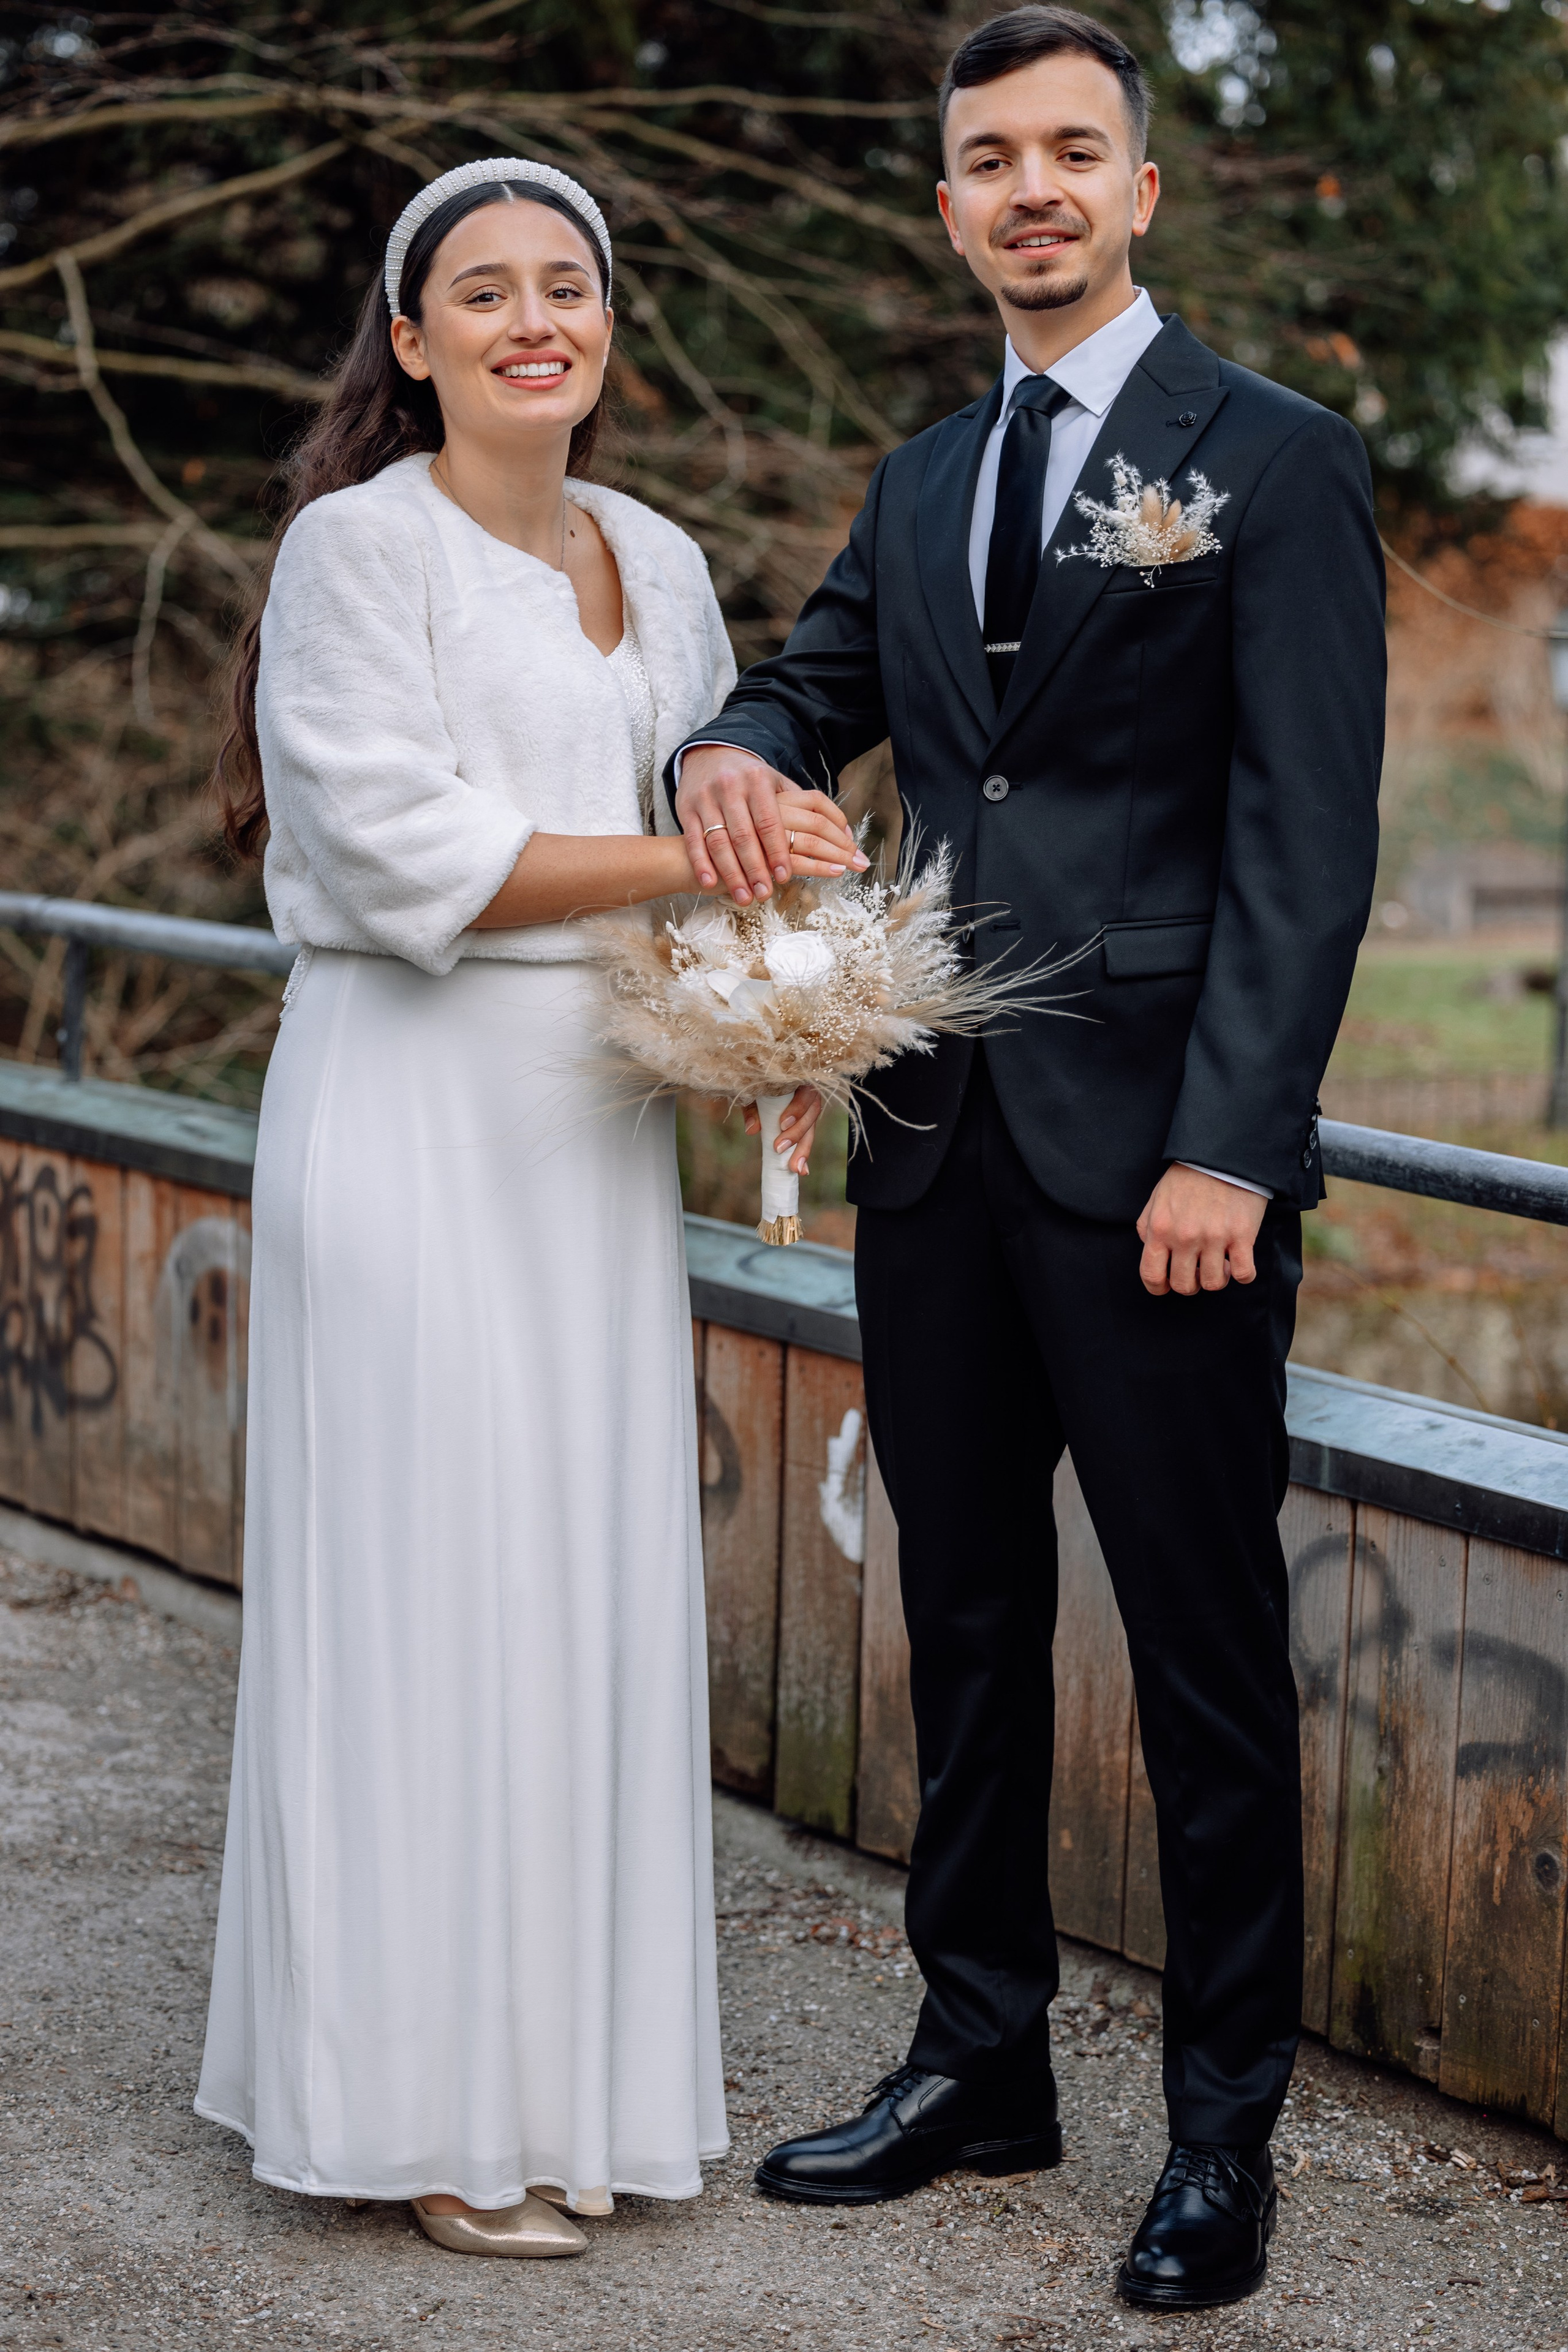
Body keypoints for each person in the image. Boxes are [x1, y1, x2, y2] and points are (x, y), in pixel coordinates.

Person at [670, 7, 1382, 2313]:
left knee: (1199, 1663)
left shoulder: (1266, 463)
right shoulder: (918, 475)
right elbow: (812, 687)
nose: (1036, 187)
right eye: (993, 158)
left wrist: (1234, 1157)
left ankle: (1219, 2138)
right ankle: (979, 2057)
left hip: (1161, 1179)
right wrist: (726, 749)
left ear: (1145, 191)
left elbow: (1303, 851)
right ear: (951, 204)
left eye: (1078, 149)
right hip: (932, 1146)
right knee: (959, 1631)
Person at [195, 157, 858, 2258]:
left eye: (564, 285)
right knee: (426, 1591)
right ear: (412, 344)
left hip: (592, 1128)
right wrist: (712, 871)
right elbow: (411, 854)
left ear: (605, 329)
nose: (529, 319)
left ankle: (573, 2089)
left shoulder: (657, 560)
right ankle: (419, 2110)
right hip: (407, 1110)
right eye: (480, 293)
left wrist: (793, 1008)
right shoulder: (349, 552)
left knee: (579, 1591)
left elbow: (716, 799)